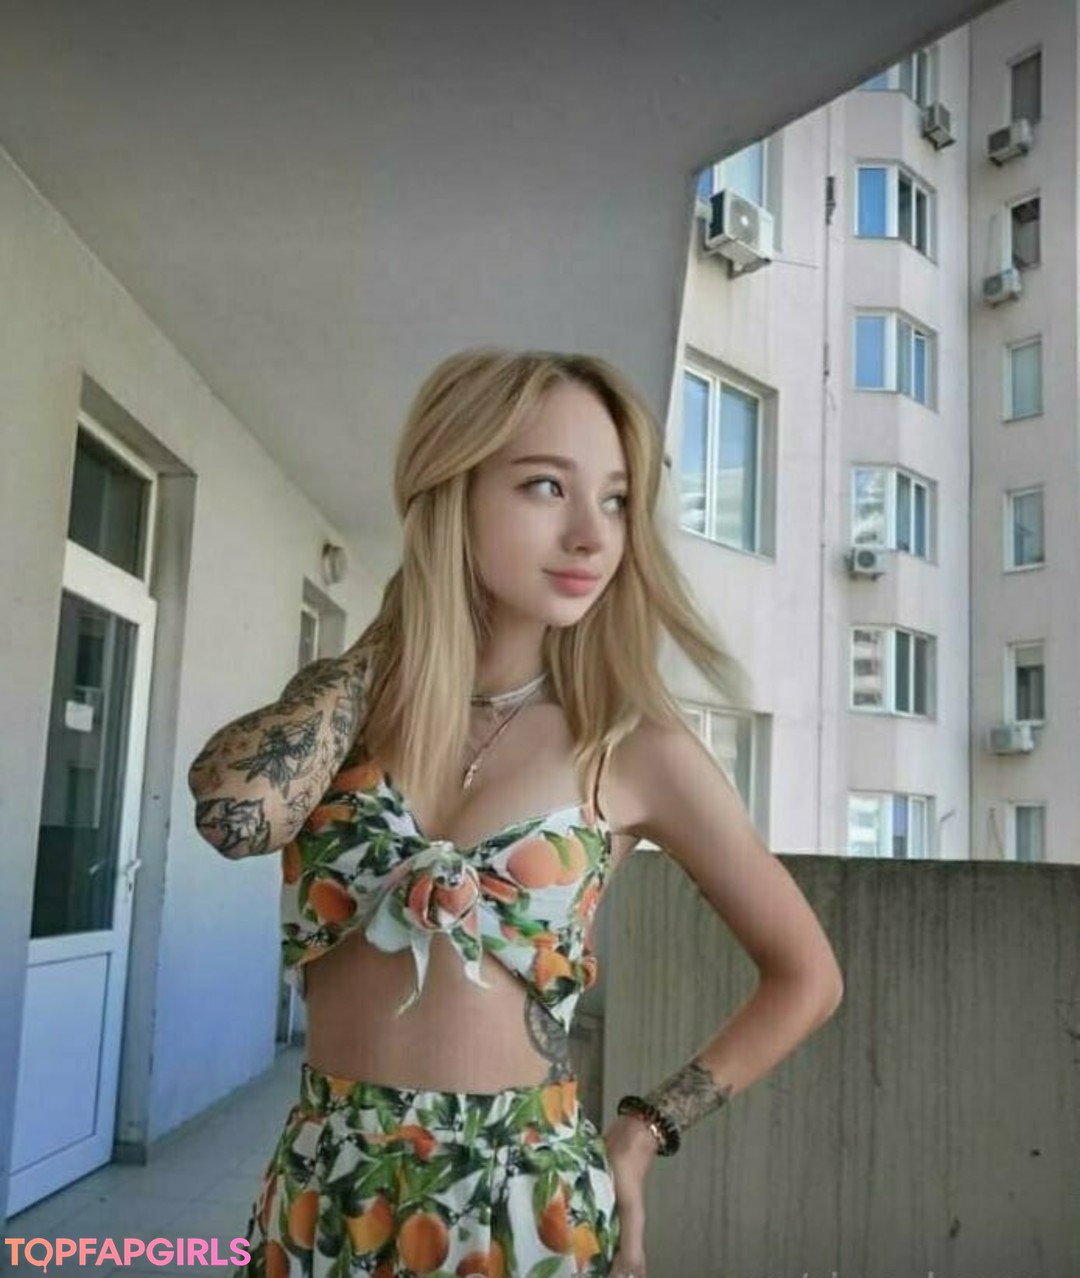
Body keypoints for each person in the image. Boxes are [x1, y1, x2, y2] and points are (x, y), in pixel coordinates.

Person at [188, 348, 844, 1278]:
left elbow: (807, 977)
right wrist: (394, 642)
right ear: (449, 492)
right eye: (546, 486)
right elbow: (233, 816)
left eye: (616, 500)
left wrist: (645, 1131)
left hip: (522, 1201)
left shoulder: (633, 746)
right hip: (322, 1181)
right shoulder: (351, 713)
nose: (591, 536)